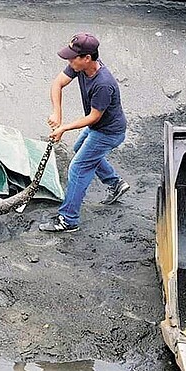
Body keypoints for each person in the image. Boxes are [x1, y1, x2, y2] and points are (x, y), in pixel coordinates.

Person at [39, 32, 129, 233]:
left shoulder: (103, 84)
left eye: (73, 57)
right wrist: (57, 113)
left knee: (78, 168)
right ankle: (115, 183)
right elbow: (58, 83)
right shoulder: (80, 66)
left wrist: (64, 127)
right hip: (99, 127)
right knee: (80, 147)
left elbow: (94, 117)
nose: (69, 61)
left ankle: (68, 220)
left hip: (108, 132)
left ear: (87, 58)